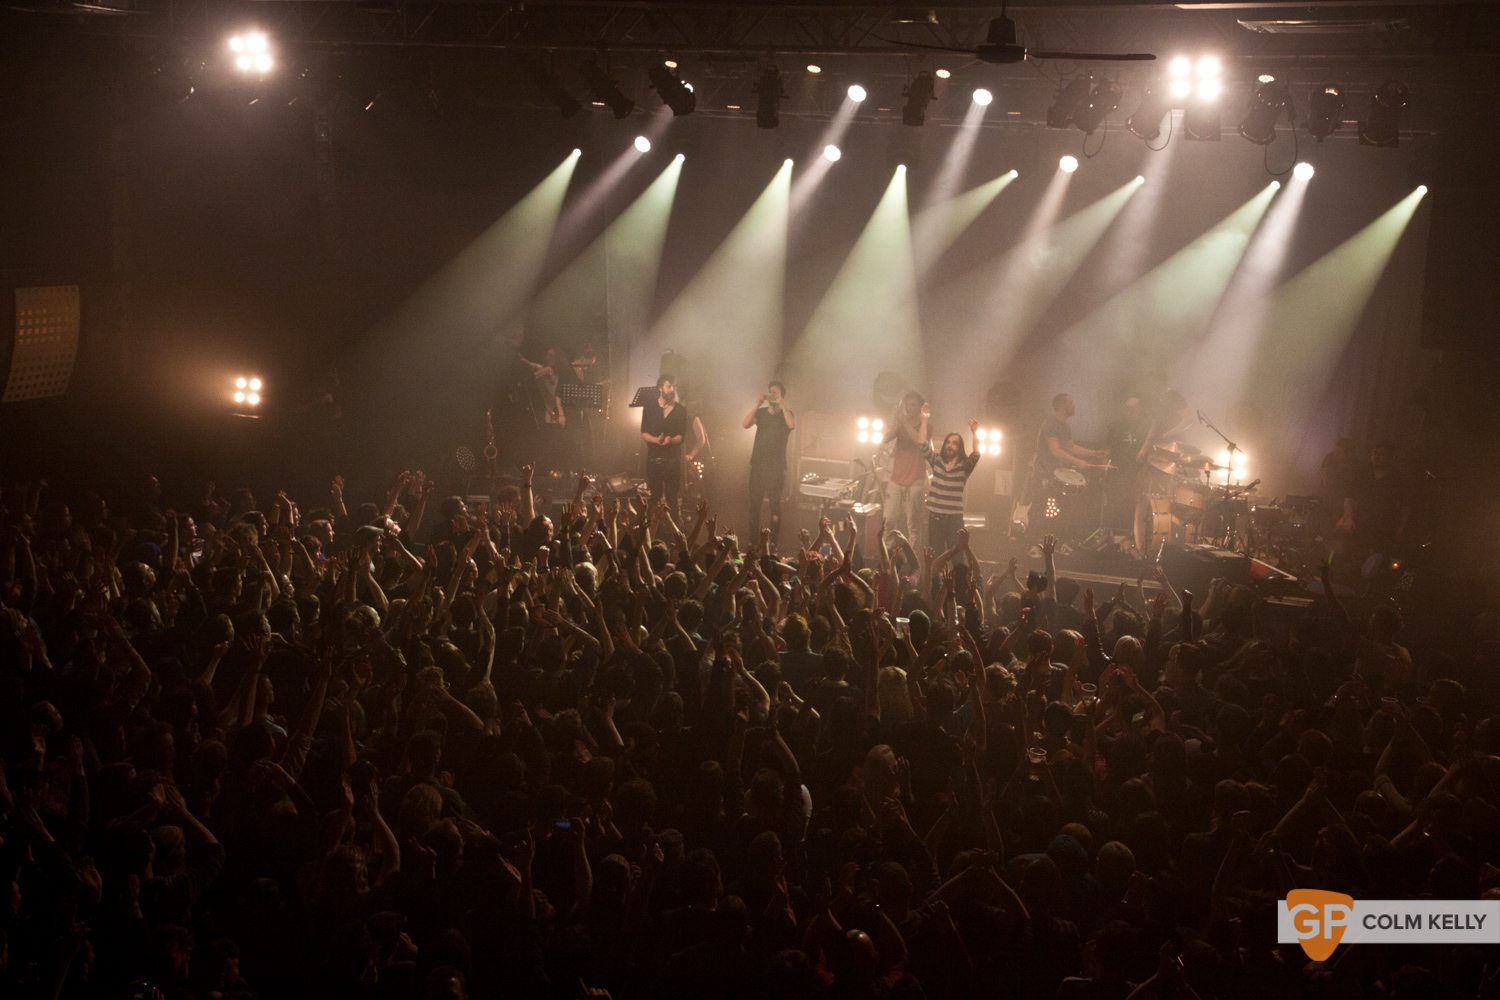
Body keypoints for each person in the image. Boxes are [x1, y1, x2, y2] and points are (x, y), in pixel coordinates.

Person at [1023, 393, 1109, 548]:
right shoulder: (1051, 424)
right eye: (1071, 403)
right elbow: (1055, 450)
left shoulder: (1065, 426)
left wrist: (1093, 453)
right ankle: (1031, 544)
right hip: (1045, 473)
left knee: (1062, 509)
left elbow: (1070, 447)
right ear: (1063, 406)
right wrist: (1078, 462)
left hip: (1058, 474)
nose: (1074, 406)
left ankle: (1054, 543)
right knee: (1040, 508)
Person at [742, 381, 796, 550]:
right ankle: (752, 541)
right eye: (770, 392)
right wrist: (757, 403)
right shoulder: (762, 413)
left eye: (775, 393)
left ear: (782, 395)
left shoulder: (787, 414)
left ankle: (773, 543)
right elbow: (745, 424)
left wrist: (782, 404)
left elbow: (791, 425)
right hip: (758, 465)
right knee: (754, 505)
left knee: (775, 505)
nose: (771, 395)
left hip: (776, 467)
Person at [921, 418, 981, 556]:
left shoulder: (965, 466)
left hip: (954, 518)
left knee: (957, 555)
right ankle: (937, 578)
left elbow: (976, 452)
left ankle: (958, 577)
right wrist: (924, 419)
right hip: (935, 516)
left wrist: (974, 431)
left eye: (954, 443)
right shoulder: (937, 461)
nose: (950, 445)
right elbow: (923, 444)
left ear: (960, 447)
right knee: (935, 555)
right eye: (948, 442)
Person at [883, 391, 929, 549]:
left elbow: (919, 440)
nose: (909, 408)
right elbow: (884, 439)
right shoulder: (900, 424)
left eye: (913, 405)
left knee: (913, 524)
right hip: (896, 477)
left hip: (916, 478)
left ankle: (913, 561)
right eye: (907, 405)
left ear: (920, 408)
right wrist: (895, 423)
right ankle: (887, 554)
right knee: (889, 519)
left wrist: (904, 422)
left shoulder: (926, 425)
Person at [641, 373, 689, 516]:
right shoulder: (650, 407)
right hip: (653, 459)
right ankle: (650, 531)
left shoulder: (680, 410)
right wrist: (657, 440)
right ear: (660, 388)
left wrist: (670, 440)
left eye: (674, 386)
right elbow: (644, 433)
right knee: (654, 496)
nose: (672, 389)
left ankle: (674, 532)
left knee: (672, 498)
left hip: (672, 461)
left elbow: (681, 436)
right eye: (669, 386)